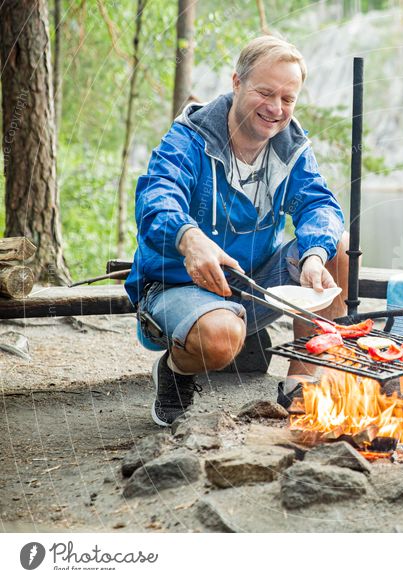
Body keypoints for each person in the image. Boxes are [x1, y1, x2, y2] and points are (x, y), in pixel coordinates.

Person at [125, 35, 348, 427]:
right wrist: (190, 239)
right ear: (236, 83)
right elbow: (155, 200)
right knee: (220, 337)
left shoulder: (291, 147)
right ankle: (176, 371)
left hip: (250, 284)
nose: (276, 109)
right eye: (265, 92)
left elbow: (320, 205)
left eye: (288, 99)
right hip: (176, 285)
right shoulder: (190, 138)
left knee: (338, 248)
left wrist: (313, 254)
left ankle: (299, 379)